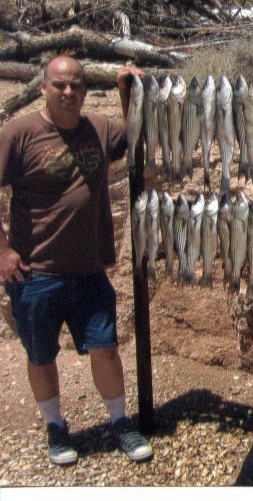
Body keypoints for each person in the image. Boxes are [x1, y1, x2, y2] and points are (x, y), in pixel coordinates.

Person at [0, 56, 153, 465]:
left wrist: (125, 90)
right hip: (34, 272)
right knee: (41, 354)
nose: (69, 92)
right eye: (60, 85)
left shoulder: (98, 129)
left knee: (105, 347)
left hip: (89, 268)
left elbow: (134, 135)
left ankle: (119, 421)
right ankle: (55, 427)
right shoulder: (19, 133)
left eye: (77, 85)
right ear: (43, 88)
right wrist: (2, 250)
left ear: (86, 91)